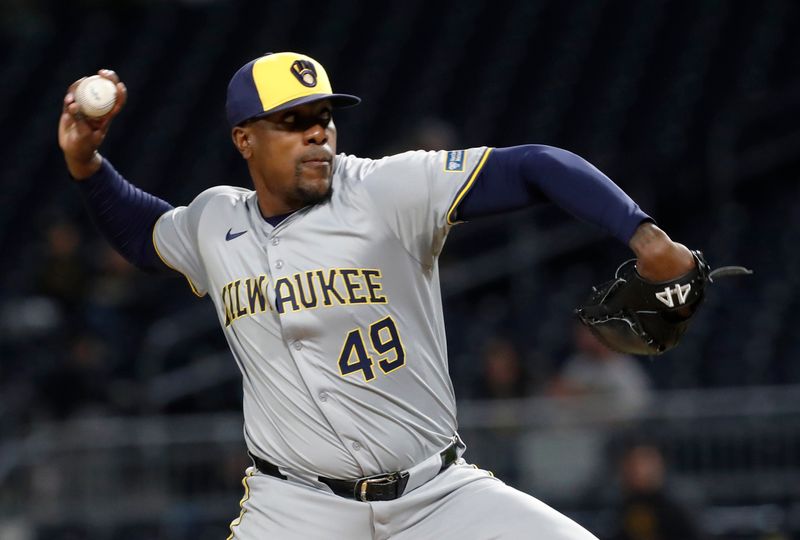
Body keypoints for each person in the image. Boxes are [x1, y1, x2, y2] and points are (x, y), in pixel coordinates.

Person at [58, 52, 696, 539]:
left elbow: (534, 165)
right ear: (244, 139)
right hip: (295, 509)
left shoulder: (386, 190)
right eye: (293, 121)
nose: (318, 134)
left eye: (324, 117)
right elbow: (145, 234)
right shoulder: (214, 221)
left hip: (437, 495)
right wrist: (87, 166)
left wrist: (644, 234)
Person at [548, 322, 653, 416]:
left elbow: (637, 405)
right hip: (579, 427)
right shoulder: (577, 364)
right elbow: (557, 398)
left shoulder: (624, 367)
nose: (586, 339)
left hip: (616, 429)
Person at [609, 443, 704, 540]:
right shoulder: (623, 505)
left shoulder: (675, 506)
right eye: (631, 464)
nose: (637, 470)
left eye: (644, 463)